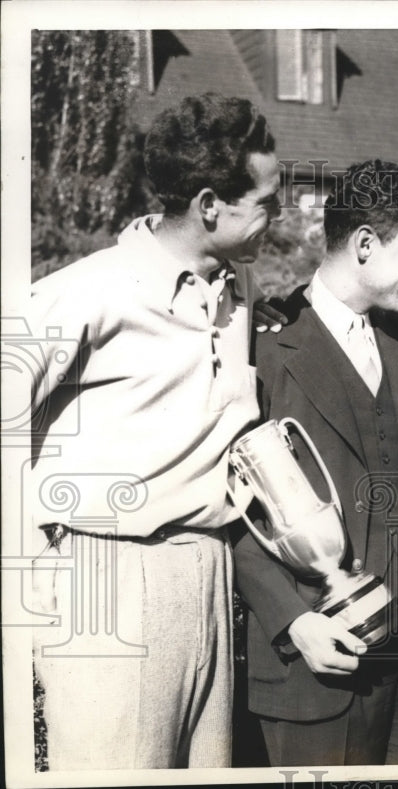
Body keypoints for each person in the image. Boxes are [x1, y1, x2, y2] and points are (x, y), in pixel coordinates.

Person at [29, 93, 281, 769]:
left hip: (207, 569)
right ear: (208, 206)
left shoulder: (239, 289)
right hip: (109, 575)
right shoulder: (91, 291)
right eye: (265, 202)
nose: (276, 220)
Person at [232, 159, 398, 766]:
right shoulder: (261, 348)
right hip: (322, 663)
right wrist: (293, 623)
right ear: (366, 244)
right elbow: (230, 508)